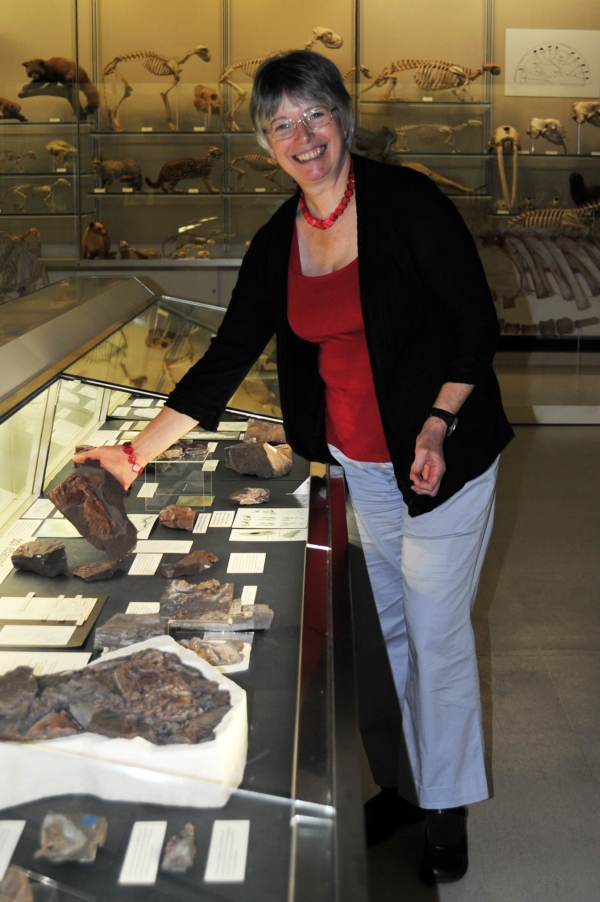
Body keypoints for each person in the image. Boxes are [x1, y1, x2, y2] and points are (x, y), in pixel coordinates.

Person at [75, 50, 513, 884]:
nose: (302, 136)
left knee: (434, 631)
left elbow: (473, 327)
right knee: (386, 635)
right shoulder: (281, 238)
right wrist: (133, 454)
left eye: (314, 115)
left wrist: (435, 425)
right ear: (265, 142)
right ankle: (408, 785)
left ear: (341, 116)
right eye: (282, 124)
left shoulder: (408, 204)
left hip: (443, 457)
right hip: (362, 463)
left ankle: (446, 809)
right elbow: (226, 356)